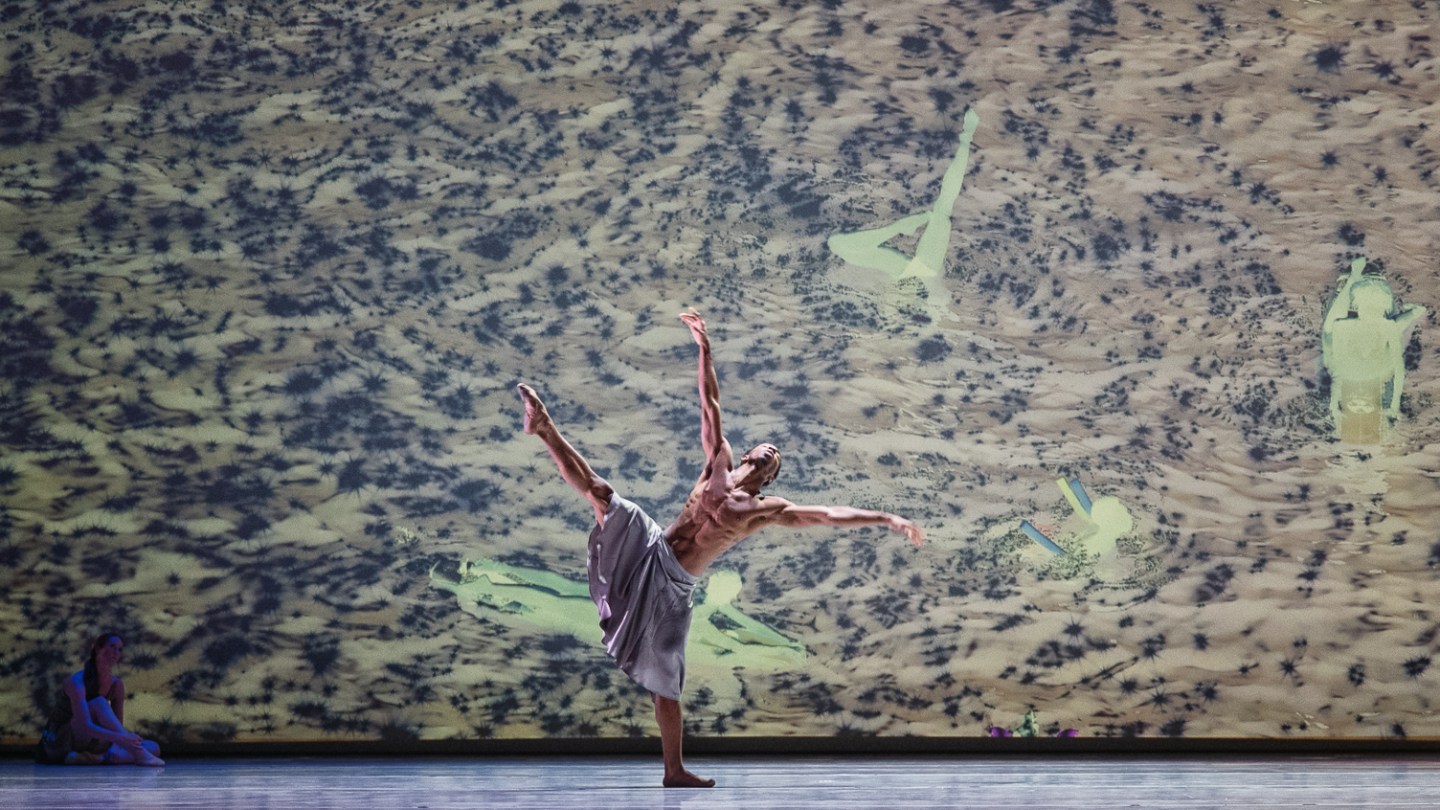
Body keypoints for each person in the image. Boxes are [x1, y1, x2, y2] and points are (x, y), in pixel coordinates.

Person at [517, 308, 923, 788]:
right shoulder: (718, 461)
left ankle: (674, 770)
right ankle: (544, 426)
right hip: (653, 547)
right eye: (767, 448)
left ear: (770, 478)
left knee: (665, 685)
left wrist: (886, 518)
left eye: (776, 460)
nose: (772, 453)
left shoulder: (762, 509)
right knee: (603, 494)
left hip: (675, 586)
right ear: (748, 453)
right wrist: (704, 346)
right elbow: (709, 401)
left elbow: (827, 514)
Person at [1321, 257, 1427, 443]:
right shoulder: (1382, 325)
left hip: (1363, 361)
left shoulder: (1345, 326)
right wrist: (1394, 405)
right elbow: (1398, 368)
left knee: (1329, 334)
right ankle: (1413, 311)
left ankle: (1353, 280)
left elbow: (1336, 365)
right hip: (1370, 361)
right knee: (1332, 334)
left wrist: (1333, 403)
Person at [37, 633, 165, 766]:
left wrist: (119, 743)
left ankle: (96, 758)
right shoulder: (76, 682)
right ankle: (137, 754)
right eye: (112, 647)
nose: (116, 652)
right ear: (98, 648)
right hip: (62, 740)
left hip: (94, 739)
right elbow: (84, 726)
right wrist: (122, 739)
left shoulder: (116, 684)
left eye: (120, 649)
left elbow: (117, 726)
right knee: (99, 702)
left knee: (154, 747)